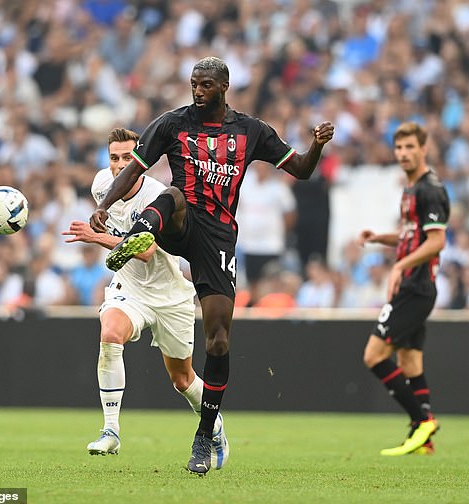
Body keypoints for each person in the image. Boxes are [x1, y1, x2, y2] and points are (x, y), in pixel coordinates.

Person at [89, 57, 334, 474]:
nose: (197, 91)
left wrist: (318, 146)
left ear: (224, 86)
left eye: (205, 85)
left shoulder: (251, 131)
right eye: (193, 83)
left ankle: (205, 435)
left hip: (218, 238)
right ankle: (136, 236)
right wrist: (106, 204)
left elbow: (302, 170)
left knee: (218, 340)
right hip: (179, 222)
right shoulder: (172, 123)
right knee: (173, 195)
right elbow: (134, 168)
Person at [62, 127, 229, 469]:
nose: (119, 165)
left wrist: (96, 238)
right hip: (131, 290)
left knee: (182, 380)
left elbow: (146, 249)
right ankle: (111, 431)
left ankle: (214, 425)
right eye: (113, 158)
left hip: (170, 295)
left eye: (126, 158)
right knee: (110, 334)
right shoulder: (100, 186)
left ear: (140, 159)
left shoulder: (157, 195)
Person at [358, 121, 449, 456]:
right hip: (414, 285)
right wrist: (380, 238)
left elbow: (437, 241)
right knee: (410, 360)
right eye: (399, 148)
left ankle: (422, 420)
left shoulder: (430, 188)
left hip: (417, 287)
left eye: (410, 147)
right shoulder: (411, 189)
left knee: (374, 354)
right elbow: (414, 235)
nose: (404, 154)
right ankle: (424, 438)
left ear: (423, 149)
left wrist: (399, 265)